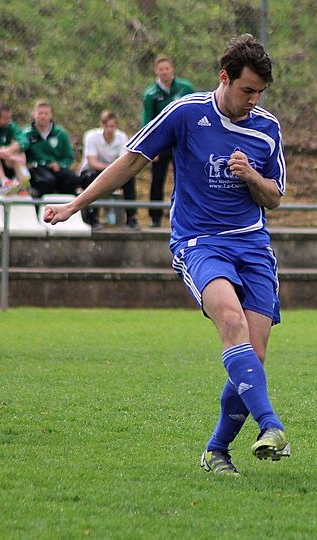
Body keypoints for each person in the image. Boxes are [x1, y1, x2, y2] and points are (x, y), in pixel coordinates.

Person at [44, 34, 289, 476]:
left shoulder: (267, 128)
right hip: (200, 242)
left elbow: (274, 197)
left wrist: (252, 175)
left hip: (253, 245)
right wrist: (75, 205)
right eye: (247, 90)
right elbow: (130, 161)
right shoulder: (186, 112)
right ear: (224, 77)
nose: (254, 100)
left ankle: (217, 450)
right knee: (230, 322)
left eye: (260, 92)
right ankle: (270, 424)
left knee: (254, 354)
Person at [141, 56, 196, 227]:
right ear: (156, 71)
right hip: (162, 141)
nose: (164, 72)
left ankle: (189, 214)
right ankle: (155, 217)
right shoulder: (151, 94)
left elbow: (194, 112)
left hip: (183, 139)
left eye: (167, 68)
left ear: (172, 69)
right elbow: (147, 122)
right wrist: (151, 148)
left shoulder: (186, 88)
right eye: (161, 69)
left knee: (187, 176)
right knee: (157, 178)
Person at [78, 110, 138, 228]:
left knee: (130, 179)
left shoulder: (122, 137)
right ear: (101, 125)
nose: (110, 129)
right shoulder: (91, 136)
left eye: (112, 126)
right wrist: (110, 169)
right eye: (107, 126)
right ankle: (93, 218)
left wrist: (113, 171)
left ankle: (131, 218)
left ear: (116, 126)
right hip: (91, 172)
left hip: (114, 172)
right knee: (92, 178)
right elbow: (92, 162)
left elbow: (124, 161)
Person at [23, 100, 80, 198]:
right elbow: (22, 154)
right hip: (37, 169)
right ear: (34, 114)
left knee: (73, 179)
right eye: (40, 113)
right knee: (47, 181)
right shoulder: (26, 134)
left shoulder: (60, 133)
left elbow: (69, 157)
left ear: (51, 115)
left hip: (56, 169)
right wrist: (29, 164)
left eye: (46, 113)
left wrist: (60, 164)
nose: (43, 116)